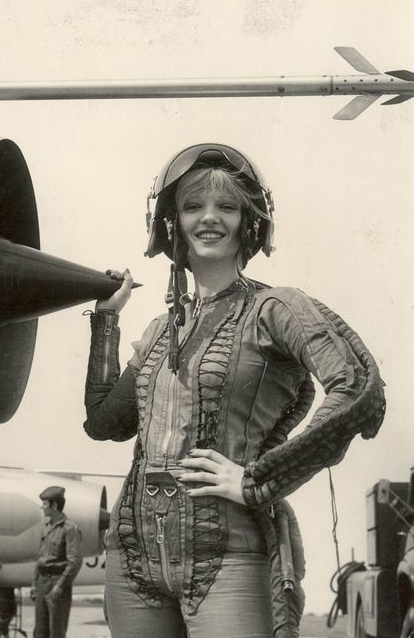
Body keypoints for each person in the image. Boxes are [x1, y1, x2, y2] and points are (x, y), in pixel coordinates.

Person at [83, 143, 385, 638]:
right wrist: (107, 320)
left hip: (228, 559)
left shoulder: (277, 308)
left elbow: (356, 388)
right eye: (192, 206)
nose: (209, 218)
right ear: (171, 223)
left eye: (226, 206)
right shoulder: (159, 330)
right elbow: (103, 423)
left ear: (250, 221)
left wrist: (258, 481)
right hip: (131, 563)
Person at [30, 486, 83, 638]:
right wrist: (34, 583)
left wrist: (60, 586)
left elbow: (75, 562)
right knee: (39, 632)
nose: (42, 507)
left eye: (45, 504)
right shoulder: (46, 527)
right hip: (42, 583)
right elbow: (40, 558)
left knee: (56, 632)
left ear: (54, 506)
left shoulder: (70, 529)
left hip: (57, 584)